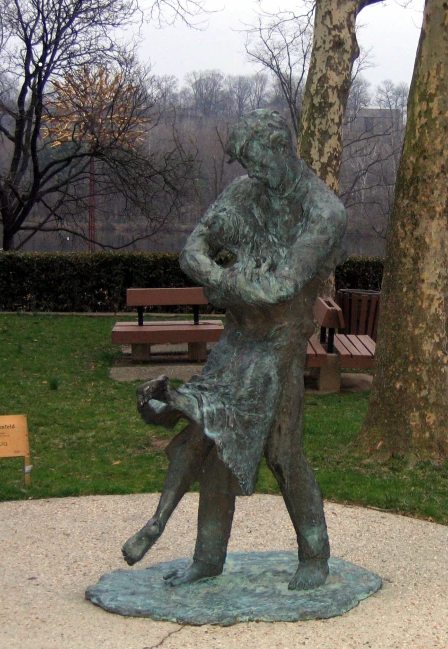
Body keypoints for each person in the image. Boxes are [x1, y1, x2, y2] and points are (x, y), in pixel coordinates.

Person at [121, 109, 346, 590]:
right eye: (243, 159)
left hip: (281, 343)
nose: (249, 169)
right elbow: (192, 251)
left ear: (277, 148)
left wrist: (221, 284)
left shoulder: (323, 211)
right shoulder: (245, 192)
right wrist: (229, 281)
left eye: (253, 157)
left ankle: (314, 554)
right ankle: (208, 558)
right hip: (241, 336)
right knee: (221, 440)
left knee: (284, 452)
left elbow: (281, 289)